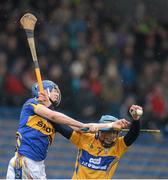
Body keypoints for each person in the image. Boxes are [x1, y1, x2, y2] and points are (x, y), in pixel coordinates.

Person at [6, 80, 130, 179]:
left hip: (38, 166)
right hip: (25, 161)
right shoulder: (31, 104)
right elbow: (53, 115)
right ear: (45, 90)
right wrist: (81, 125)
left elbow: (85, 127)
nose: (58, 94)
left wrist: (110, 125)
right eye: (55, 91)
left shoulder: (54, 121)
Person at [54, 105, 142, 179]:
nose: (111, 136)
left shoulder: (118, 146)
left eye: (114, 132)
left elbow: (133, 134)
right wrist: (47, 110)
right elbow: (61, 126)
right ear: (99, 130)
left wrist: (136, 119)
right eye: (107, 132)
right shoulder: (86, 138)